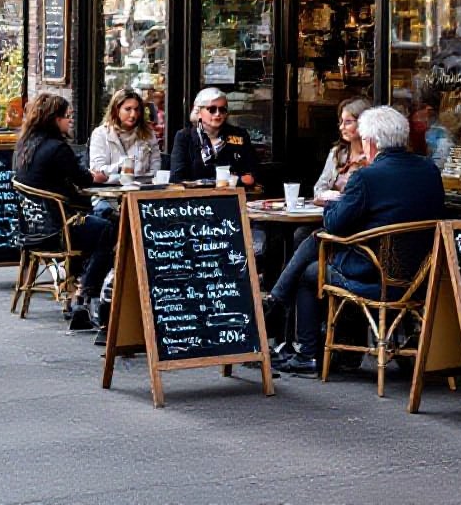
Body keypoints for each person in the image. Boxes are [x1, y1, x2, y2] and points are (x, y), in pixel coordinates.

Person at [274, 105, 445, 375]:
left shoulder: (367, 176)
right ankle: (283, 302)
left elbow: (334, 223)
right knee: (318, 241)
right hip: (422, 276)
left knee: (312, 272)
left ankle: (306, 352)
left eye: (365, 139)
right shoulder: (429, 171)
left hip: (376, 277)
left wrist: (333, 202)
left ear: (373, 142)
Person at [14, 93, 115, 323]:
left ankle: (78, 283)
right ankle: (85, 292)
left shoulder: (25, 145)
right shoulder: (57, 149)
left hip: (33, 230)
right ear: (54, 119)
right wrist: (97, 176)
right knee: (108, 229)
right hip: (59, 231)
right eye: (67, 116)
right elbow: (84, 180)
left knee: (99, 220)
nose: (71, 121)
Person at [169, 87, 258, 185]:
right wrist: (232, 180)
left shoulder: (239, 135)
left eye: (222, 110)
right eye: (212, 109)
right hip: (196, 198)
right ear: (198, 111)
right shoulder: (185, 137)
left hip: (234, 197)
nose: (218, 114)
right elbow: (176, 178)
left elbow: (251, 176)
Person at [89, 87, 162, 185]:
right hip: (108, 191)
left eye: (137, 110)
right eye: (128, 109)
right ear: (116, 110)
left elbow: (156, 166)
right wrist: (123, 165)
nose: (133, 115)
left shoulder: (147, 133)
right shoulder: (101, 134)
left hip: (140, 191)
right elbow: (97, 170)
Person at [312, 98, 372, 203]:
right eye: (341, 122)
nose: (341, 127)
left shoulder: (373, 155)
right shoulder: (337, 153)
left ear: (363, 123)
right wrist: (327, 195)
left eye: (348, 122)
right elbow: (319, 188)